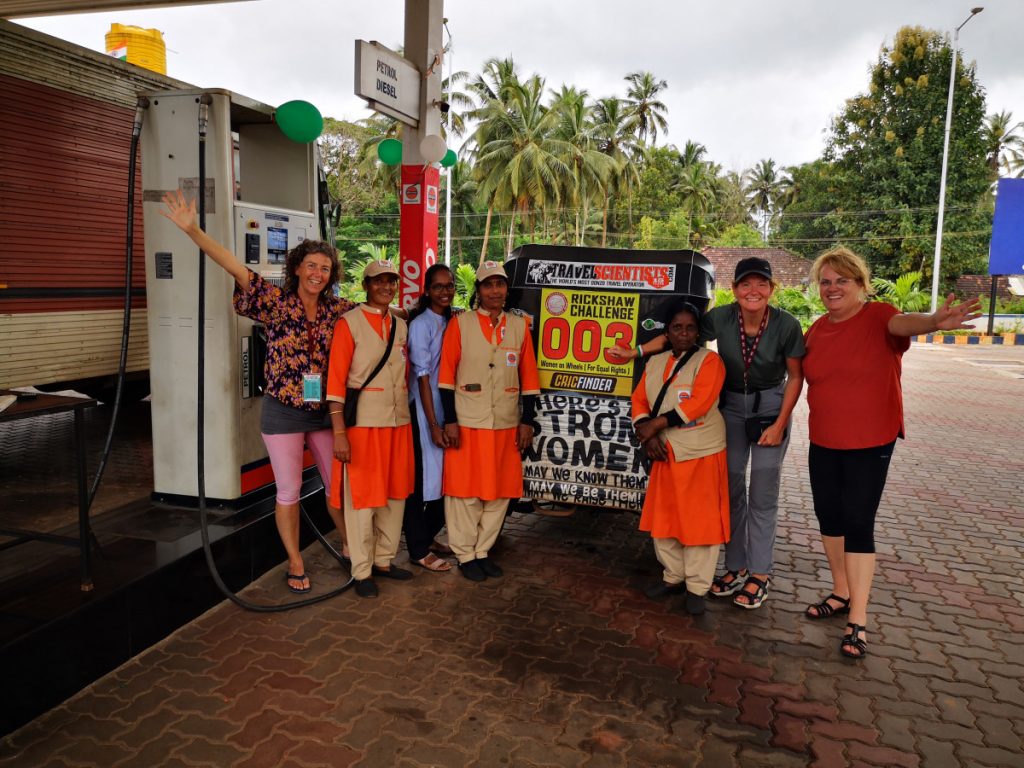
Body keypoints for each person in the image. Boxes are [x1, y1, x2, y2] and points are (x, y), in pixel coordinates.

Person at [159, 190, 349, 595]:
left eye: (326, 268)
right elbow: (235, 266)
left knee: (337, 486)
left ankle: (352, 546)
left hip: (324, 412)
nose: (318, 273)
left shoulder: (339, 310)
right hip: (283, 410)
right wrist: (194, 231)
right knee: (289, 491)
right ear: (297, 268)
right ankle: (295, 561)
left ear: (332, 276)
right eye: (311, 265)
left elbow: (379, 313)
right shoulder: (277, 302)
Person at [802, 246, 980, 658]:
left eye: (841, 281)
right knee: (829, 518)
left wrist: (935, 321)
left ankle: (858, 620)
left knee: (858, 522)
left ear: (860, 284)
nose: (832, 288)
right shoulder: (816, 328)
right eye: (825, 282)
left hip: (869, 442)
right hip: (823, 440)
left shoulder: (879, 315)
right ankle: (841, 592)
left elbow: (905, 324)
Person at [611, 257, 804, 609]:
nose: (753, 291)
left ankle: (759, 573)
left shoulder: (786, 324)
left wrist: (780, 424)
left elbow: (796, 376)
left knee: (762, 493)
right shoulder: (721, 318)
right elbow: (675, 335)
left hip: (770, 408)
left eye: (761, 284)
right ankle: (735, 567)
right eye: (745, 284)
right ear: (734, 290)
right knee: (731, 492)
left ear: (772, 289)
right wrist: (634, 353)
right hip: (732, 405)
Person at [438, 261, 540, 582]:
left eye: (500, 284)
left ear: (507, 289)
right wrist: (450, 421)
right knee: (464, 492)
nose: (495, 290)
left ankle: (483, 550)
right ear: (478, 291)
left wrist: (527, 421)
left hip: (506, 423)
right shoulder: (460, 324)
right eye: (488, 284)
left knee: (499, 492)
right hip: (468, 421)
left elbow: (530, 378)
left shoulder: (520, 326)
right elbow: (445, 378)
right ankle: (465, 553)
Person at [632, 301, 730, 616]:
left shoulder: (710, 362)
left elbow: (699, 403)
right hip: (664, 451)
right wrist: (646, 436)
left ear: (698, 332)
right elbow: (640, 401)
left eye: (690, 327)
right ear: (667, 332)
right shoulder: (655, 363)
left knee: (700, 522)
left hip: (701, 450)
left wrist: (654, 428)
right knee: (665, 518)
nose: (684, 333)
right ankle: (673, 576)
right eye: (677, 327)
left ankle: (697, 587)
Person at [326, 260, 415, 599]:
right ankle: (361, 569)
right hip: (363, 426)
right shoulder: (348, 324)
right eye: (378, 281)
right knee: (362, 500)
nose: (386, 287)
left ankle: (383, 560)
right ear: (366, 285)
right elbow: (335, 383)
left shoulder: (399, 324)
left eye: (391, 281)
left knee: (394, 495)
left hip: (398, 423)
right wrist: (339, 433)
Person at [402, 263, 457, 573]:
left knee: (447, 478)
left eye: (449, 285)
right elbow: (422, 376)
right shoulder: (422, 324)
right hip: (423, 411)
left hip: (446, 407)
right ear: (427, 290)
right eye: (438, 286)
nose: (445, 291)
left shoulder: (453, 320)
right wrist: (433, 423)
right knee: (421, 481)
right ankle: (418, 548)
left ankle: (428, 535)